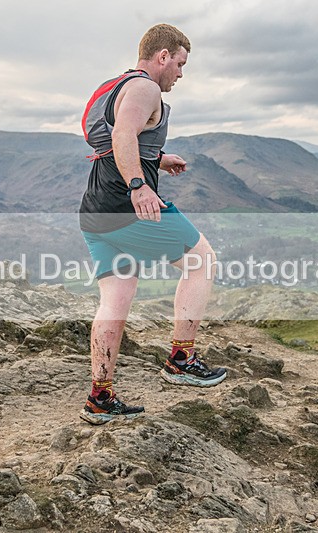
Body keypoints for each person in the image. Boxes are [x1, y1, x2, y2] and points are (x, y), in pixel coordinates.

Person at [77, 23, 226, 425]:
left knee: (115, 301)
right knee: (202, 261)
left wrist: (157, 158)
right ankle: (182, 358)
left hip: (95, 212)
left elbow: (108, 140)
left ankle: (100, 398)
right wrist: (140, 184)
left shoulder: (113, 87)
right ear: (162, 57)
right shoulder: (145, 88)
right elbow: (124, 132)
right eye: (179, 63)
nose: (180, 73)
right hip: (127, 208)